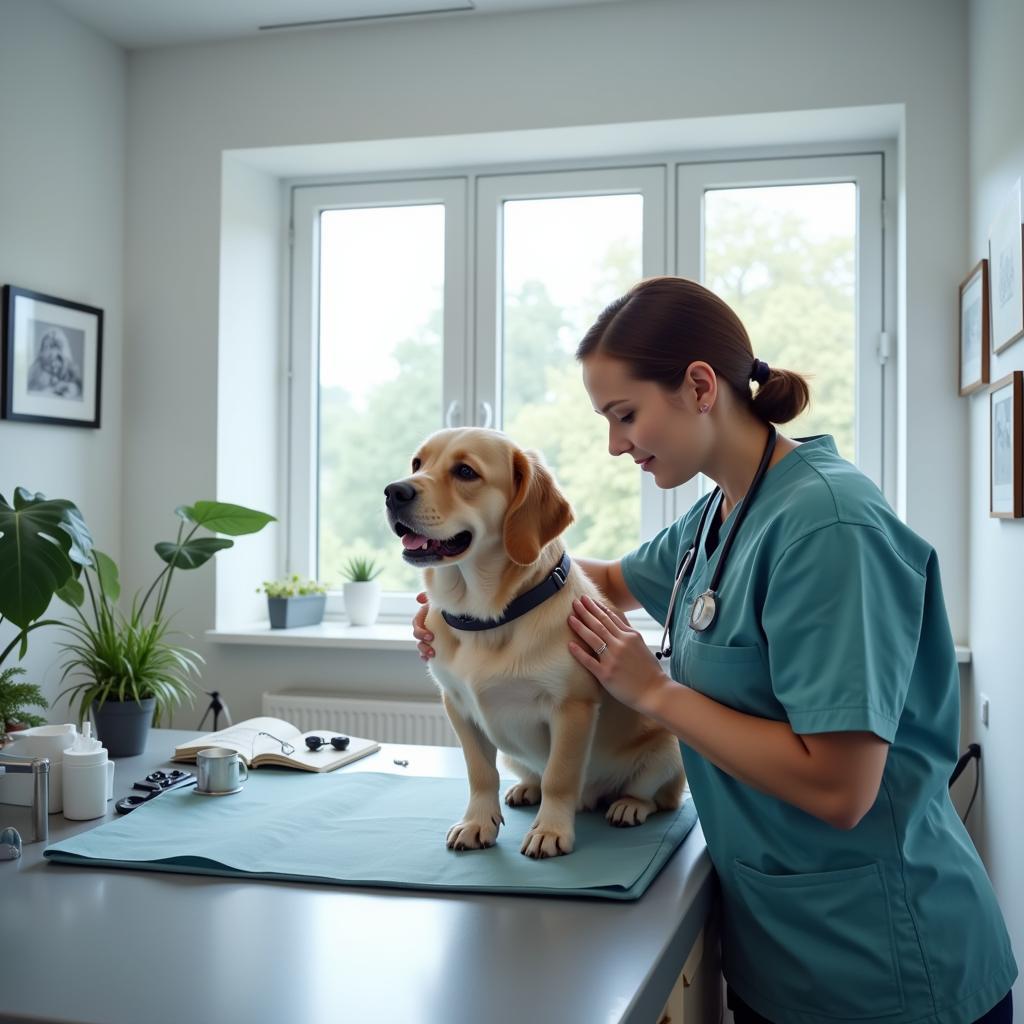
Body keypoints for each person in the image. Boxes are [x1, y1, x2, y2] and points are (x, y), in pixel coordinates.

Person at [413, 276, 1017, 1024]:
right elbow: (592, 578)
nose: (614, 444)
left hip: (885, 968)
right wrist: (464, 602)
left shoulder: (830, 529)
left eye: (625, 415)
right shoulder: (721, 512)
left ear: (700, 385)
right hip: (780, 950)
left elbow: (840, 787)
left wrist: (657, 694)